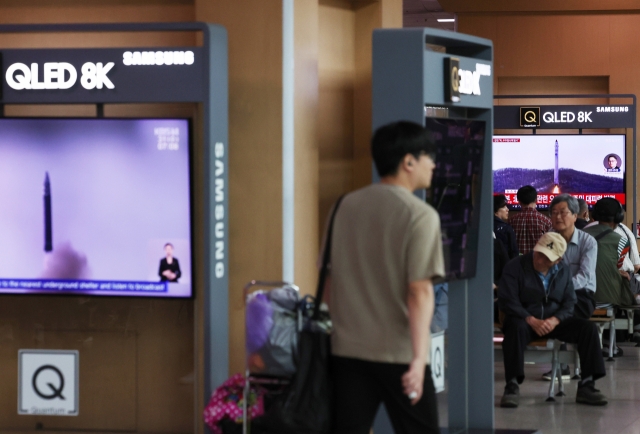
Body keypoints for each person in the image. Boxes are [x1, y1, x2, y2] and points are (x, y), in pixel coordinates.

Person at [324, 121, 443, 434]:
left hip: (347, 350)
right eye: (428, 156)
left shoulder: (342, 207)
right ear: (408, 162)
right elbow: (419, 292)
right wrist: (419, 360)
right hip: (400, 353)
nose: (433, 164)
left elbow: (329, 282)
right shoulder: (419, 215)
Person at [498, 232, 607, 408]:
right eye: (538, 253)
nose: (539, 260)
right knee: (514, 328)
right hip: (524, 318)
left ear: (557, 260)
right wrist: (530, 319)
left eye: (545, 257)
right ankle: (512, 385)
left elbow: (570, 301)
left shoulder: (563, 271)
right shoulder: (515, 266)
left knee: (588, 329)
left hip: (553, 319)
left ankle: (587, 384)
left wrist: (556, 319)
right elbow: (507, 300)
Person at [583, 198, 635, 307]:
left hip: (580, 299)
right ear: (619, 217)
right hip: (607, 301)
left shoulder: (580, 235)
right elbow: (617, 266)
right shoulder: (622, 241)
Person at [510, 185, 552, 254]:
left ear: (519, 201)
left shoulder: (511, 220)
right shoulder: (546, 221)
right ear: (536, 200)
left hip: (517, 262)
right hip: (539, 262)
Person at [494, 194, 519, 259]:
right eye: (504, 207)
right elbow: (514, 252)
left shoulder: (484, 228)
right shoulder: (506, 228)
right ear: (495, 211)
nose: (507, 209)